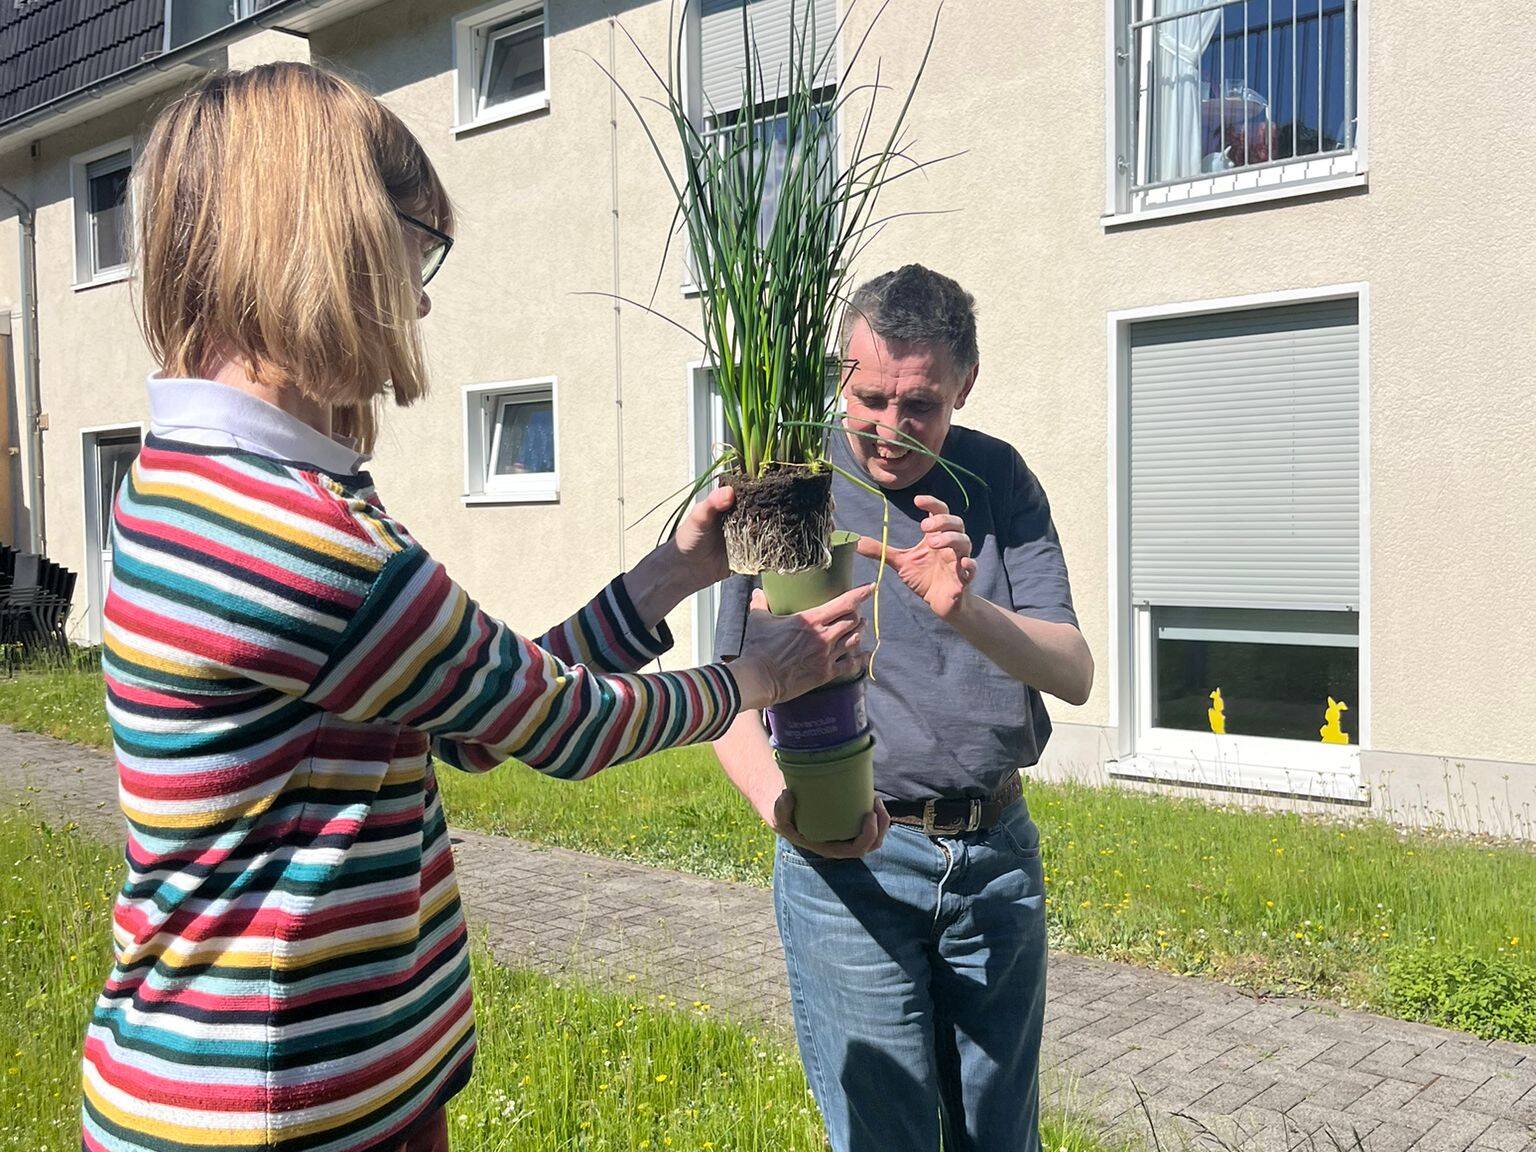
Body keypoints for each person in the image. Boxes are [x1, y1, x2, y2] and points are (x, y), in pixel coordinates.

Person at [83, 62, 869, 1152]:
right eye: (417, 245)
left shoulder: (189, 485)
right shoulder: (299, 539)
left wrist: (666, 577)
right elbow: (557, 725)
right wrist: (760, 678)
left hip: (264, 1079)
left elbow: (464, 712)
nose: (422, 293)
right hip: (291, 1099)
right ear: (331, 239)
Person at [714, 264, 1093, 1152]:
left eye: (919, 404)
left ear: (965, 383)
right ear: (842, 375)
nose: (889, 427)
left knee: (1000, 1140)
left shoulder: (997, 478)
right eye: (870, 396)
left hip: (996, 856)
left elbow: (1072, 672)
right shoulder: (787, 482)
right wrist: (788, 814)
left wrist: (963, 607)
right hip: (851, 867)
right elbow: (728, 701)